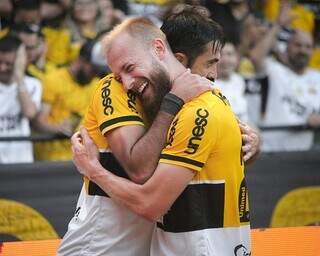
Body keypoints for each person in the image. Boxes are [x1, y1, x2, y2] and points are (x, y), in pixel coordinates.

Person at [59, 6, 257, 256]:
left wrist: (250, 144)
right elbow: (140, 169)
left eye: (129, 67)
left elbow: (212, 152)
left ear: (160, 51)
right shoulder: (114, 88)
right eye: (209, 63)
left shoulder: (197, 103)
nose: (212, 75)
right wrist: (172, 101)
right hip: (98, 248)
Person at [34, 40, 100, 161]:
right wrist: (57, 129)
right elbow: (38, 122)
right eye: (93, 70)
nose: (95, 75)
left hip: (84, 160)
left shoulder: (97, 84)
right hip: (53, 159)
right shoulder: (53, 80)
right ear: (81, 60)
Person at [0, 35, 42, 163]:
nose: (2, 68)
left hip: (20, 161)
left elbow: (29, 113)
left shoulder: (33, 84)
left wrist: (19, 76)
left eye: (9, 64)